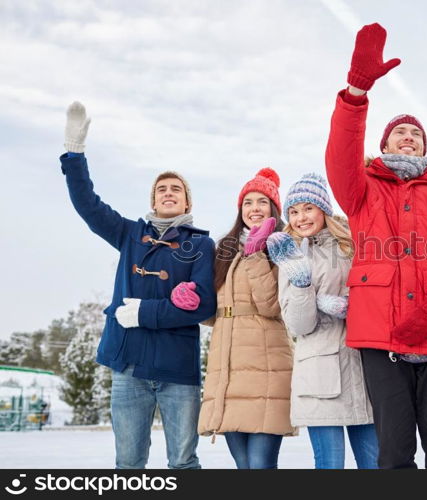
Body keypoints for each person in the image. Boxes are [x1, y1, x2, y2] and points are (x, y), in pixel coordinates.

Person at [324, 24, 427, 469]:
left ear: (426, 147)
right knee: (393, 454)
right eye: (400, 133)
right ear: (383, 144)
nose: (409, 137)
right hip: (382, 338)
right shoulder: (361, 191)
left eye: (416, 134)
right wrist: (356, 93)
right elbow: (340, 155)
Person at [60, 102, 216, 469]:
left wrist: (145, 312)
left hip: (178, 370)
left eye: (176, 188)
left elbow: (205, 305)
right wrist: (74, 153)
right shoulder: (130, 233)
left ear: (187, 200)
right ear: (153, 199)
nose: (168, 192)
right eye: (161, 189)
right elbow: (88, 205)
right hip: (129, 366)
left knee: (183, 463)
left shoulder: (201, 245)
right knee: (128, 463)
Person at [266, 173, 379, 469]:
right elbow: (299, 326)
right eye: (294, 211)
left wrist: (351, 307)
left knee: (376, 463)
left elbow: (375, 296)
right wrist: (302, 284)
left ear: (323, 209)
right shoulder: (290, 255)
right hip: (320, 375)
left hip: (364, 369)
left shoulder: (352, 244)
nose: (301, 217)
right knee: (330, 465)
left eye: (308, 208)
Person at [198, 168, 297, 469]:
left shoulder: (283, 244)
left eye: (262, 202)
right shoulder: (225, 249)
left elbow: (270, 305)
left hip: (267, 365)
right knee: (244, 466)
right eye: (248, 202)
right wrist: (192, 301)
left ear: (273, 209)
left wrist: (256, 254)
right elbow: (216, 312)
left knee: (260, 465)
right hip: (226, 369)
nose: (254, 209)